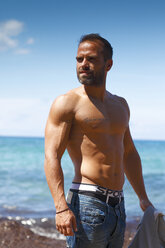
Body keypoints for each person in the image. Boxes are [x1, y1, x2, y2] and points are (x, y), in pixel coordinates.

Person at [44, 33, 153, 248]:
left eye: (91, 59)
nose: (83, 64)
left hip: (118, 204)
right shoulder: (67, 103)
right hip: (87, 203)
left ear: (108, 64)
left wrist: (143, 198)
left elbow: (129, 153)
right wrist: (61, 207)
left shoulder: (120, 104)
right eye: (79, 59)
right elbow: (51, 155)